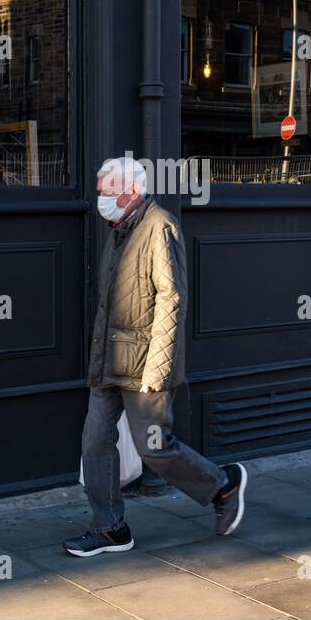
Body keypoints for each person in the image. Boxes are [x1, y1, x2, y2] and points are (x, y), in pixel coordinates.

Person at [64, 156, 246, 557]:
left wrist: (158, 369)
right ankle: (110, 527)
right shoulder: (118, 230)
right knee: (94, 442)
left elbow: (172, 299)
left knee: (154, 447)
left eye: (106, 191)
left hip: (145, 363)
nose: (100, 198)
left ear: (130, 191)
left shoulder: (159, 226)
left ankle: (222, 485)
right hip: (108, 361)